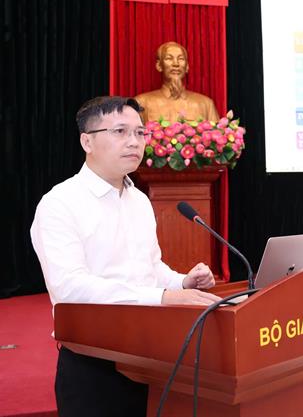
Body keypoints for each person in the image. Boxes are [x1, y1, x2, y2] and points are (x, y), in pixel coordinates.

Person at [30, 96, 221, 417]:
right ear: (87, 141)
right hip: (95, 362)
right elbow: (70, 288)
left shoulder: (139, 201)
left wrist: (182, 282)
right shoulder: (60, 204)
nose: (134, 142)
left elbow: (150, 267)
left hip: (151, 352)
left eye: (140, 133)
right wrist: (163, 297)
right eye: (120, 131)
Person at [136, 41, 220, 123]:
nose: (176, 64)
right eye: (169, 58)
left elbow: (217, 131)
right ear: (159, 66)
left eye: (181, 59)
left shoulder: (206, 104)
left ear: (187, 66)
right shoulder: (142, 102)